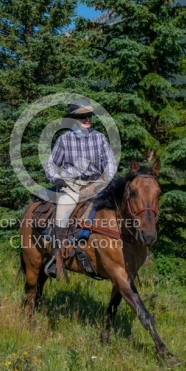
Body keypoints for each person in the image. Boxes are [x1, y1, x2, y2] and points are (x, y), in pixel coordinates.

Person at [44, 100, 118, 275]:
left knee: (122, 206)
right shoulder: (64, 140)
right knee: (63, 211)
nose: (87, 119)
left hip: (97, 183)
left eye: (89, 115)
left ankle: (134, 250)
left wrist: (110, 176)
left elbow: (110, 162)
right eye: (82, 116)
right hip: (72, 184)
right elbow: (51, 164)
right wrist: (56, 179)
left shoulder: (99, 138)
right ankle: (56, 257)